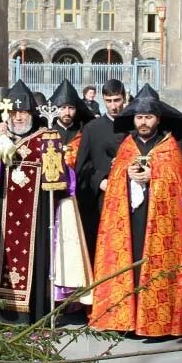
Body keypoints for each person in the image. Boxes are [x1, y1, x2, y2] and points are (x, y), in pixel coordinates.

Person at [0, 80, 90, 323]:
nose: (18, 118)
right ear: (6, 115)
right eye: (14, 113)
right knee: (1, 262)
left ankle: (36, 313)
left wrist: (55, 163)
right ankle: (4, 313)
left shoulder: (45, 140)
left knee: (37, 262)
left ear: (32, 114)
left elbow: (64, 181)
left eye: (24, 113)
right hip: (1, 218)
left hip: (38, 220)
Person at [90, 85, 182, 338]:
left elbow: (180, 180)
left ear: (158, 118)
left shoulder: (168, 145)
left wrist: (156, 174)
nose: (143, 122)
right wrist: (125, 176)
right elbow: (115, 178)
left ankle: (154, 324)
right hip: (129, 219)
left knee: (154, 267)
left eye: (148, 117)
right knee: (129, 265)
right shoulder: (127, 145)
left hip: (159, 219)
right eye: (139, 117)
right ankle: (125, 320)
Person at [75, 79, 128, 255]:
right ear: (103, 100)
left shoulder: (134, 127)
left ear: (124, 98)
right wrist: (99, 180)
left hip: (130, 197)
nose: (113, 106)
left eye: (117, 100)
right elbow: (82, 167)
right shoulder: (92, 128)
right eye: (109, 101)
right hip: (99, 199)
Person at [48, 79, 94, 168]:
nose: (67, 113)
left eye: (71, 108)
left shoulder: (82, 133)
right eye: (63, 108)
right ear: (55, 109)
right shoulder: (48, 132)